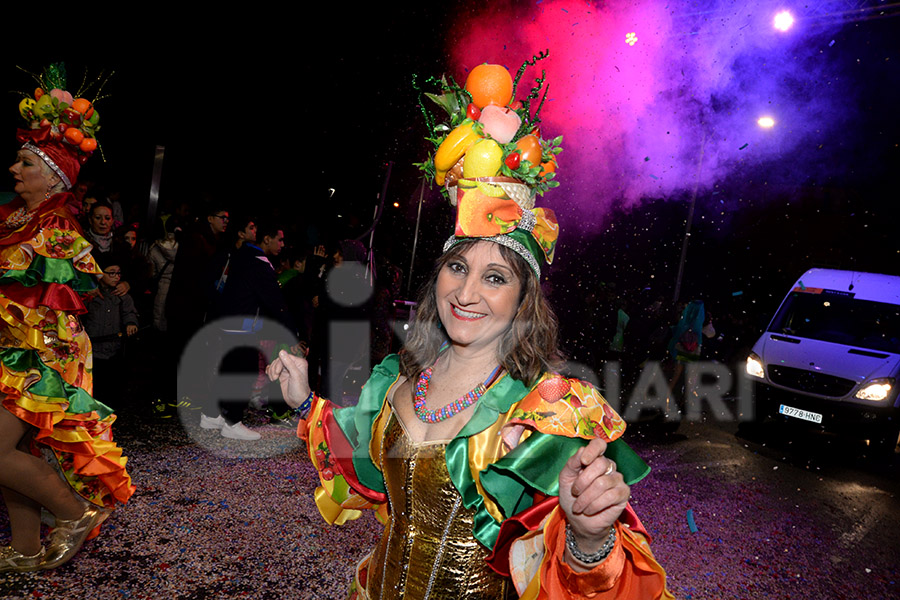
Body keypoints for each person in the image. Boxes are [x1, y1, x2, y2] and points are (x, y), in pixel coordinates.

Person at [268, 71, 671, 593]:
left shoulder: (550, 413)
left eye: (496, 277)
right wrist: (303, 401)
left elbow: (597, 580)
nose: (467, 293)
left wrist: (588, 540)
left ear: (524, 298)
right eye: (457, 268)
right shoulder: (398, 379)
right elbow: (360, 466)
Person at [0, 69, 134, 572]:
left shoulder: (56, 227)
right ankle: (27, 547)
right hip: (13, 353)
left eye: (25, 162)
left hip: (37, 358)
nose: (15, 168)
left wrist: (37, 368)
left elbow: (51, 309)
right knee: (10, 454)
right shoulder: (18, 219)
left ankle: (74, 513)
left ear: (53, 175)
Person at [82, 253, 140, 404]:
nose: (116, 277)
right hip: (92, 345)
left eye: (118, 273)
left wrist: (131, 323)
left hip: (114, 345)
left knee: (112, 380)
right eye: (111, 273)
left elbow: (129, 312)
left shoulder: (122, 296)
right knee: (94, 380)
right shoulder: (91, 294)